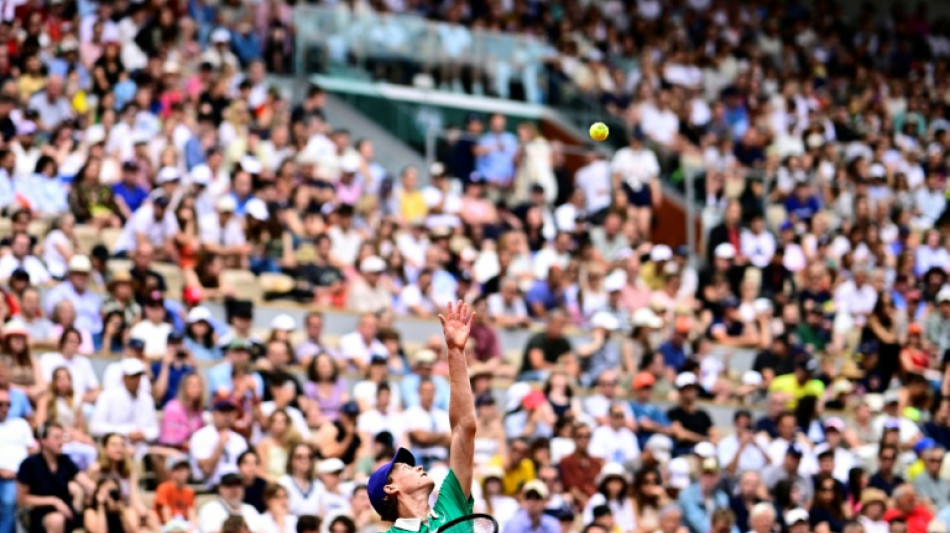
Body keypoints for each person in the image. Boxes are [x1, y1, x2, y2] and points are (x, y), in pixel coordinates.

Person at [367, 301, 477, 532]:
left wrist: (456, 351)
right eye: (406, 469)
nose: (417, 467)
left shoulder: (451, 503)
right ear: (390, 488)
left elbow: (463, 429)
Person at [16, 422, 96, 533]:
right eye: (56, 438)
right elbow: (22, 499)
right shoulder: (29, 464)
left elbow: (85, 482)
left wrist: (100, 491)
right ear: (43, 441)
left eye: (62, 437)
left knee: (90, 516)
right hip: (39, 512)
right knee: (56, 520)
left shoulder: (65, 460)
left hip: (66, 510)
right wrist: (53, 501)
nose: (61, 442)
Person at [0, 387, 37, 533]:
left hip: (20, 476)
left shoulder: (20, 424)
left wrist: (25, 473)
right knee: (9, 501)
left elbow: (32, 450)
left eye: (8, 404)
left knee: (12, 500)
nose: (5, 408)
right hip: (3, 476)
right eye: (0, 404)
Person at [197, 472, 264, 533]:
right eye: (229, 486)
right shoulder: (210, 509)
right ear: (220, 489)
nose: (234, 490)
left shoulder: (250, 509)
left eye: (238, 485)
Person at [155, 456, 197, 525]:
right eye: (177, 469)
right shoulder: (164, 488)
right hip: (165, 525)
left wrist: (193, 527)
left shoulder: (190, 491)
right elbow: (166, 516)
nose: (182, 472)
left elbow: (191, 513)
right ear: (170, 472)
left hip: (183, 523)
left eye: (184, 469)